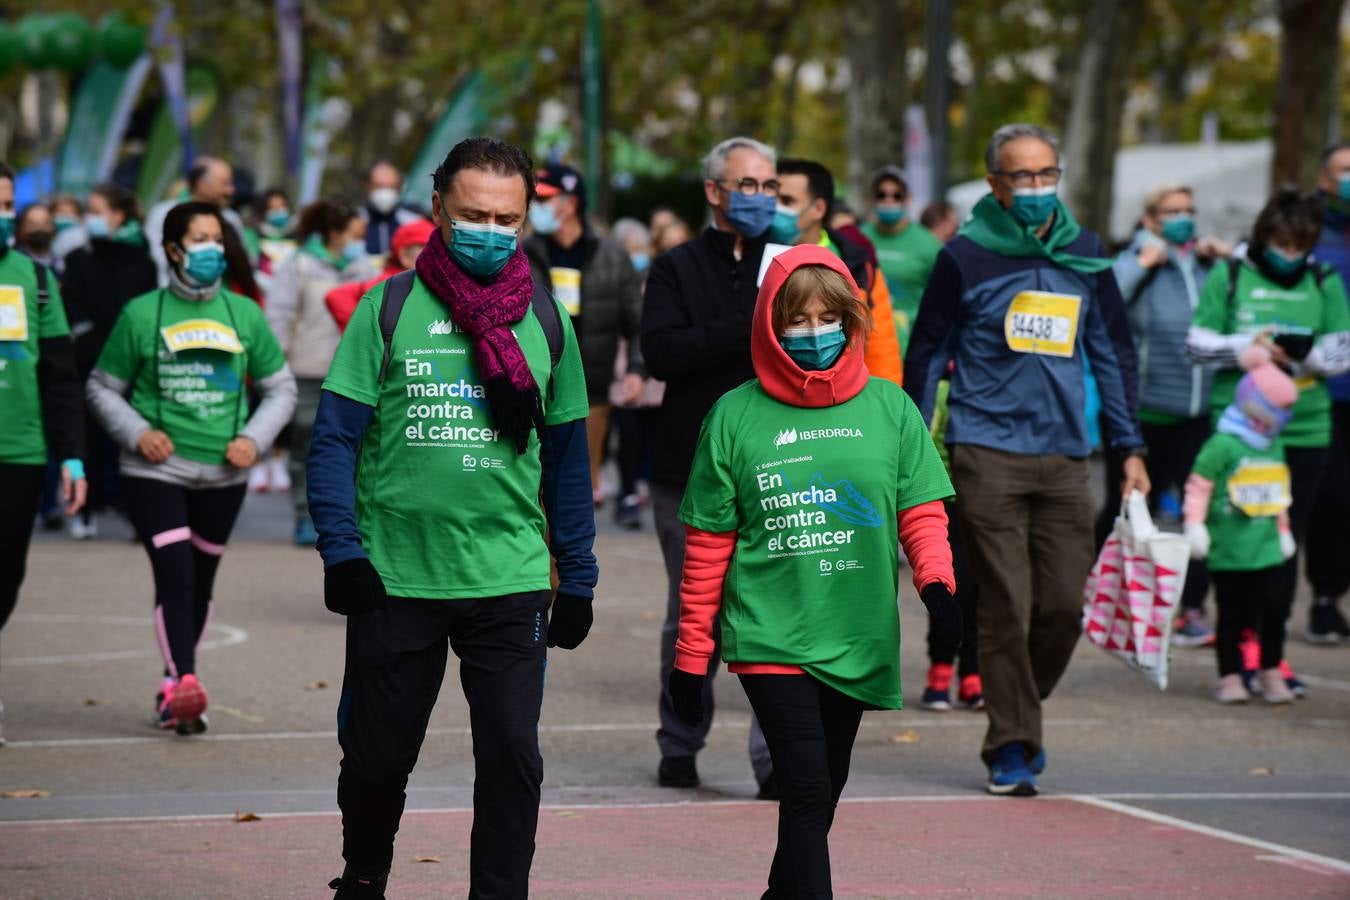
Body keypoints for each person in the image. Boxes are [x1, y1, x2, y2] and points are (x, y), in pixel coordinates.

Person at [307, 136, 596, 900]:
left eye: (507, 218)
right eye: (474, 215)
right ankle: (364, 872)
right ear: (438, 208)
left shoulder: (548, 320)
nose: (491, 231)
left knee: (511, 755)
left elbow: (569, 462)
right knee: (375, 760)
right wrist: (342, 552)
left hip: (509, 578)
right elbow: (334, 438)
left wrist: (582, 576)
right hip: (396, 576)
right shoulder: (389, 306)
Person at [669, 245, 958, 897]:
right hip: (771, 633)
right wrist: (692, 655)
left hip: (857, 633)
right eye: (796, 320)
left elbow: (920, 510)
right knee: (804, 788)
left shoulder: (892, 410)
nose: (814, 333)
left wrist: (936, 582)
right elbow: (707, 547)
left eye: (829, 317)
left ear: (853, 319)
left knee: (821, 792)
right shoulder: (734, 416)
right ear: (770, 324)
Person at [905, 123, 1149, 796]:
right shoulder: (965, 257)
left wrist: (1129, 448)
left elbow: (1113, 354)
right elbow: (925, 355)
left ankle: (1017, 703)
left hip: (1070, 459)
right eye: (1023, 178)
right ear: (996, 186)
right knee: (1006, 604)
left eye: (1047, 176)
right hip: (986, 454)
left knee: (1065, 607)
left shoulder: (1087, 253)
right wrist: (909, 450)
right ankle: (1010, 744)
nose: (1038, 189)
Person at [86, 200, 295, 734]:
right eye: (199, 239)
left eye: (217, 239)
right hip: (155, 471)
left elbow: (280, 388)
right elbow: (101, 386)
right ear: (174, 249)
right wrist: (138, 432)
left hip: (225, 473)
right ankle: (185, 681)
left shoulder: (245, 313)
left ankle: (170, 685)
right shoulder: (142, 313)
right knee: (175, 575)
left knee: (200, 582)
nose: (212, 249)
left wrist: (253, 438)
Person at [641, 136, 777, 795]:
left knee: (773, 618)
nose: (759, 198)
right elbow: (663, 353)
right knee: (690, 617)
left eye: (768, 186)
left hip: (776, 465)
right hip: (687, 470)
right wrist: (749, 323)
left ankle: (775, 758)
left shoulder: (791, 262)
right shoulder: (674, 268)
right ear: (714, 191)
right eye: (745, 185)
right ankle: (680, 742)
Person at [1186, 188, 1350, 692]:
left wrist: (1307, 357)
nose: (1290, 254)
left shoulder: (1323, 281)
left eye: (1300, 245)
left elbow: (1341, 350)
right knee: (1237, 540)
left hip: (1303, 431)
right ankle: (1237, 657)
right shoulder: (1231, 275)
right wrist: (1246, 349)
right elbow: (1197, 343)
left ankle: (1271, 654)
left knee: (1283, 543)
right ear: (1263, 238)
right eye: (1281, 243)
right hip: (1237, 434)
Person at [1097, 185, 1229, 646]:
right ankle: (1109, 596)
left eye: (1188, 210)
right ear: (1150, 219)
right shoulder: (1137, 260)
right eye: (1171, 211)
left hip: (1197, 414)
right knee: (1128, 510)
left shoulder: (1209, 263)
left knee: (1198, 513)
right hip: (1140, 414)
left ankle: (1190, 608)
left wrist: (1230, 258)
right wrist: (1143, 262)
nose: (1183, 219)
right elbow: (1104, 298)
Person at [0, 163, 87, 746]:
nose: (3, 212)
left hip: (20, 451)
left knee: (6, 577)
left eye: (7, 202)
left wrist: (72, 456)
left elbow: (60, 374)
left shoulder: (32, 277)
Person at [524, 164, 645, 506]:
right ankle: (542, 560)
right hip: (535, 389)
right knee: (536, 488)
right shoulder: (524, 252)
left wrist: (637, 371)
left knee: (579, 490)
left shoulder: (612, 255)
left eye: (546, 198)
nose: (538, 206)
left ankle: (570, 560)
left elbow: (637, 323)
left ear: (570, 202)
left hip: (592, 391)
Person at [1184, 349, 1299, 703]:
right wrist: (1195, 524)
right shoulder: (1222, 444)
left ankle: (1270, 669)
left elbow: (1278, 489)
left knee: (1275, 608)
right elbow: (1199, 484)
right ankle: (1230, 675)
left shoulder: (1274, 445)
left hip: (1266, 544)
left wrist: (1283, 531)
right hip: (1230, 545)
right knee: (1233, 612)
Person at [266, 197, 373, 546]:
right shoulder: (300, 265)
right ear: (334, 233)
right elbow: (279, 316)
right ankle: (303, 515)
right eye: (353, 234)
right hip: (307, 369)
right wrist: (277, 361)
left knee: (354, 449)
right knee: (306, 447)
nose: (359, 241)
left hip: (355, 373)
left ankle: (347, 518)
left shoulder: (363, 268)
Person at [59, 183, 159, 539]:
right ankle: (82, 508)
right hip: (88, 360)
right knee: (84, 437)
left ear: (119, 216)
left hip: (133, 363)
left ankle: (135, 511)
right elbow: (70, 307)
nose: (92, 219)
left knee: (132, 436)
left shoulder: (142, 260)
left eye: (98, 211)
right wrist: (86, 338)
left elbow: (145, 311)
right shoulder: (78, 258)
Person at [772, 157, 904, 385]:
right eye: (772, 198)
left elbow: (881, 347)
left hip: (845, 401)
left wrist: (885, 407)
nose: (775, 209)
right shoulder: (754, 258)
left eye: (787, 201)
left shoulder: (859, 263)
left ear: (819, 208)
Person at [1304, 140, 1350, 644]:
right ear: (1324, 179)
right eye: (1346, 171)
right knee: (1333, 498)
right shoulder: (1309, 236)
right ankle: (1325, 599)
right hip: (1325, 392)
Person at [860, 166, 944, 355]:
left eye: (896, 195)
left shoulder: (928, 244)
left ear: (907, 199)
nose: (889, 201)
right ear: (872, 199)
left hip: (914, 346)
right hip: (868, 344)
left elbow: (944, 297)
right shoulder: (859, 238)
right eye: (882, 195)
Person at [145, 157, 245, 285]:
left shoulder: (232, 219)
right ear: (202, 183)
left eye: (218, 240)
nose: (231, 190)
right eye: (225, 183)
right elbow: (157, 261)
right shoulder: (162, 214)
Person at [324, 218, 434, 333]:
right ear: (404, 255)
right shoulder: (389, 284)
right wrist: (364, 334)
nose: (435, 258)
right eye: (428, 251)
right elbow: (336, 296)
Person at [360, 160, 422, 258]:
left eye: (391, 187)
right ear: (368, 186)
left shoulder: (414, 223)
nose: (385, 192)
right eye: (379, 186)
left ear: (399, 188)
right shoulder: (356, 221)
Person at [15, 203, 56, 268]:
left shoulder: (61, 262)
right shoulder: (15, 262)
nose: (40, 228)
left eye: (46, 223)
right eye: (33, 224)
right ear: (21, 229)